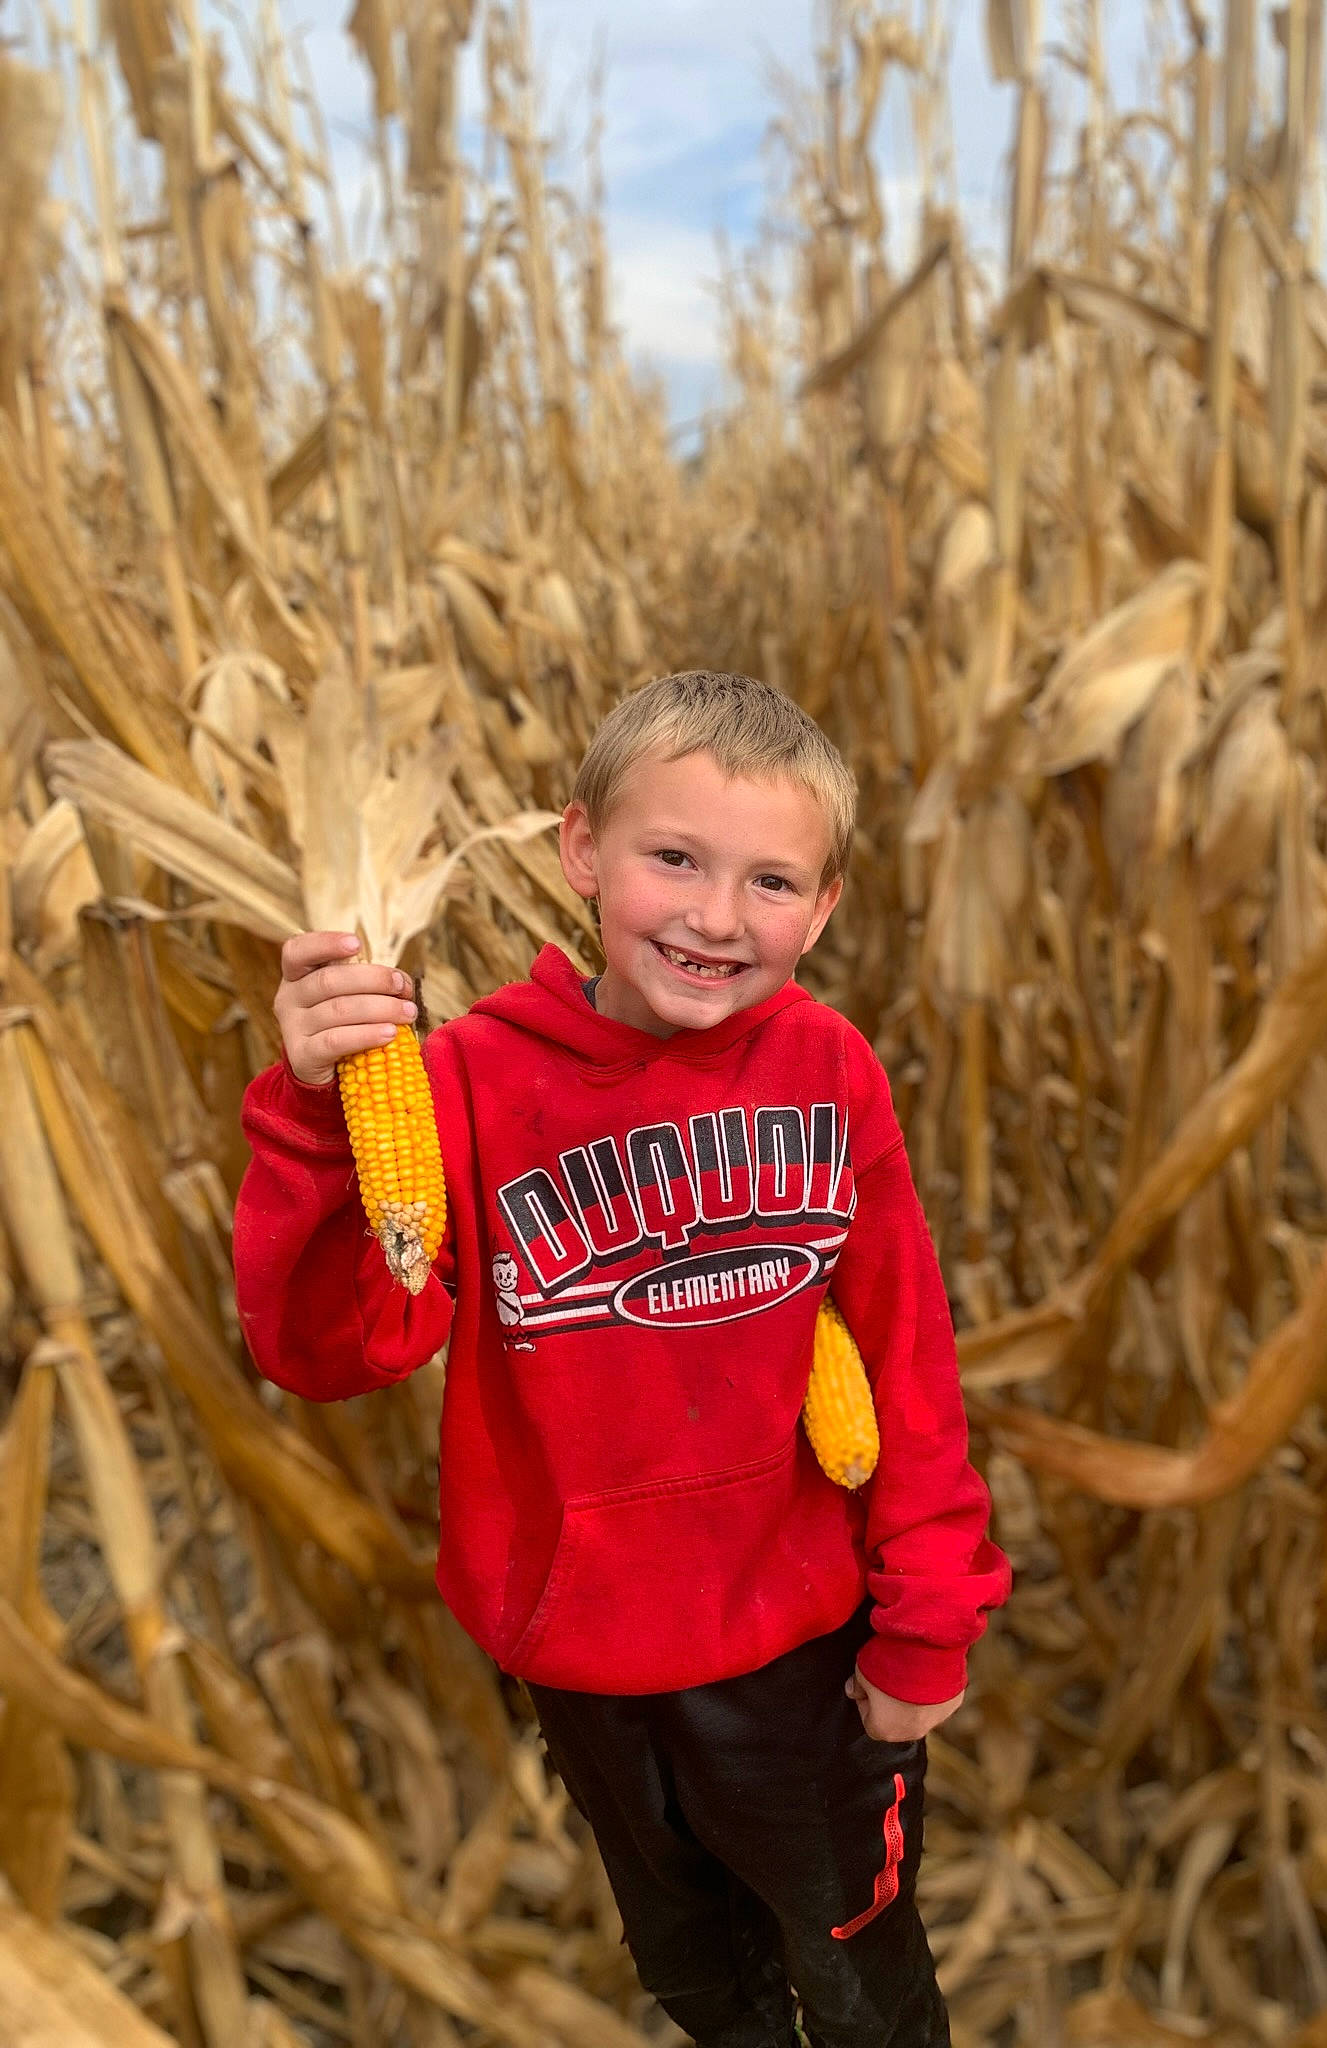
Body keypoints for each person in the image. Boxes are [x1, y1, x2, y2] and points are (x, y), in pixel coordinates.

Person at [233, 670, 1011, 2047]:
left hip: (801, 1650)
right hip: (587, 1660)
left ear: (825, 907)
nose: (717, 919)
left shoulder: (830, 1072)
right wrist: (317, 1113)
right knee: (700, 1973)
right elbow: (333, 1349)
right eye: (675, 860)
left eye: (773, 882)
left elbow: (906, 1357)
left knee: (856, 1966)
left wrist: (930, 1611)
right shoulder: (467, 1080)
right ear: (581, 851)